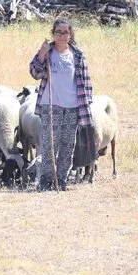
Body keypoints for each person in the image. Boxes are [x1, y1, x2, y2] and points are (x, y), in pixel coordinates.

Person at [29, 17, 93, 191]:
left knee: (67, 144)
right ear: (53, 33)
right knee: (50, 143)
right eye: (58, 32)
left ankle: (62, 178)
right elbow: (35, 72)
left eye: (65, 32)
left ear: (70, 34)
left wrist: (87, 104)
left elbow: (86, 83)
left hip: (73, 105)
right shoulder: (48, 51)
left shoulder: (77, 55)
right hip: (51, 104)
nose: (62, 36)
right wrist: (42, 56)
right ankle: (46, 179)